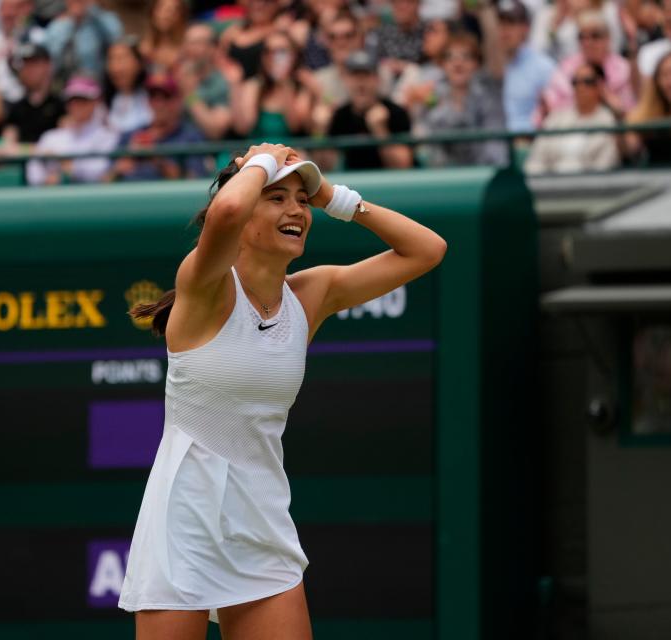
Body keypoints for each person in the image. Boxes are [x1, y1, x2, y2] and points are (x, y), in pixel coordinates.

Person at [118, 141, 447, 638]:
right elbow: (226, 209)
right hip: (182, 523)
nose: (296, 209)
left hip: (261, 520)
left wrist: (333, 197)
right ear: (244, 213)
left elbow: (428, 249)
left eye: (301, 197)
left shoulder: (312, 294)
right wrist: (260, 161)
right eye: (276, 197)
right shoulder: (204, 284)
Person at [415, 29, 508, 166]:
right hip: (444, 175)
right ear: (442, 65)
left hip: (483, 173)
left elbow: (496, 148)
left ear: (477, 64)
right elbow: (429, 148)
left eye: (466, 57)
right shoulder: (432, 98)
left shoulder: (489, 97)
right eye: (450, 57)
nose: (458, 63)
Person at [318, 48, 413, 170]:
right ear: (345, 80)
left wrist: (380, 131)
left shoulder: (396, 112)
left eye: (366, 76)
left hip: (389, 184)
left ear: (377, 79)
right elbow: (325, 167)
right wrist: (320, 131)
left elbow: (403, 166)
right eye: (355, 76)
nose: (361, 84)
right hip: (350, 184)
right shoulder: (339, 115)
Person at [108, 72, 208, 181]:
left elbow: (195, 181)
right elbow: (103, 182)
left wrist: (157, 160)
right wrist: (124, 163)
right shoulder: (129, 136)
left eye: (166, 97)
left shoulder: (191, 137)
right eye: (153, 97)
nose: (158, 104)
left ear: (178, 101)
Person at [539, 10, 635, 123]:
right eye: (582, 37)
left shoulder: (623, 69)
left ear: (608, 38)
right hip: (570, 130)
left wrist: (608, 100)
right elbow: (550, 107)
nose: (588, 42)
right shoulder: (566, 68)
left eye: (595, 36)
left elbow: (631, 112)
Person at [526, 61, 621, 173]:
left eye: (587, 82)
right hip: (550, 186)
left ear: (599, 86)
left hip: (589, 187)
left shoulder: (609, 121)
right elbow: (536, 159)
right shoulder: (556, 117)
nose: (580, 87)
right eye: (575, 82)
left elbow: (605, 165)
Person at [26, 74, 119, 186]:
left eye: (83, 100)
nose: (76, 105)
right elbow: (33, 170)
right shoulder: (50, 137)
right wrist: (45, 180)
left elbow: (98, 172)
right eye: (72, 101)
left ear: (95, 102)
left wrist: (64, 165)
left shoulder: (107, 136)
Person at [229, 30, 314, 138]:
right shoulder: (254, 85)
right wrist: (236, 87)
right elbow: (243, 128)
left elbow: (295, 127)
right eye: (268, 51)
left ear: (294, 55)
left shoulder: (302, 86)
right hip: (256, 151)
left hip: (288, 151)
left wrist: (284, 84)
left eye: (281, 51)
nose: (273, 57)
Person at [497, 0, 556, 131]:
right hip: (497, 144)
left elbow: (556, 115)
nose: (504, 31)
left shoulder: (543, 67)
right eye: (501, 24)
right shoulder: (493, 65)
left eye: (511, 24)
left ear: (526, 28)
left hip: (531, 142)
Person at [0, 42, 64, 153]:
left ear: (48, 66)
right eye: (25, 64)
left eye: (34, 64)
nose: (28, 70)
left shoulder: (61, 106)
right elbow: (6, 147)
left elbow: (63, 147)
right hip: (22, 168)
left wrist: (20, 150)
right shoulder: (16, 108)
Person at [175, 22, 232, 140]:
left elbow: (216, 130)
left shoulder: (223, 82)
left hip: (206, 151)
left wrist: (190, 95)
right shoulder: (174, 76)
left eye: (197, 43)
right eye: (188, 43)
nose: (190, 48)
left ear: (212, 48)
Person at [45, 0, 122, 84]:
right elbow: (51, 63)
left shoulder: (106, 20)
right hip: (67, 86)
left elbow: (116, 44)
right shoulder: (56, 28)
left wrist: (93, 11)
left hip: (99, 84)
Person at [528, 0, 624, 61]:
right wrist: (555, 26)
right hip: (559, 73)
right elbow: (536, 53)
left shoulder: (608, 10)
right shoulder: (546, 14)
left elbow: (614, 49)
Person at [102, 36, 152, 137]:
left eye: (122, 59)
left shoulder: (155, 95)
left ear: (139, 63)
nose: (116, 67)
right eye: (112, 59)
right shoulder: (102, 102)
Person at [220, 0, 279, 80]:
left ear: (276, 5)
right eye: (253, 1)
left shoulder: (279, 32)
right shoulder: (232, 31)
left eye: (266, 2)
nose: (258, 5)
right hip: (231, 84)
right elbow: (220, 58)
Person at [139, 0, 188, 71]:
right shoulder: (141, 48)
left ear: (181, 16)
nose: (166, 15)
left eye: (173, 10)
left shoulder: (187, 49)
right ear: (152, 12)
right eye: (161, 8)